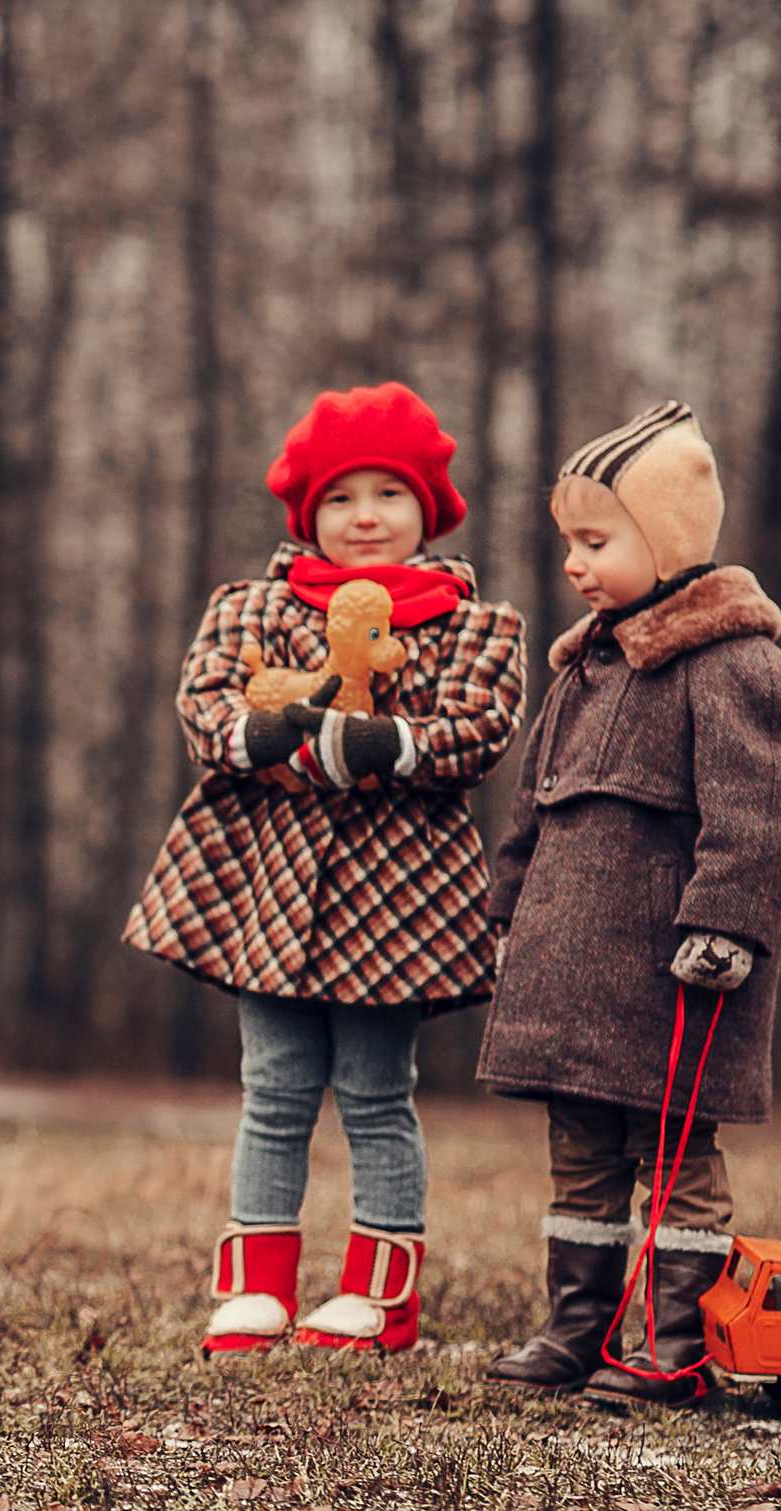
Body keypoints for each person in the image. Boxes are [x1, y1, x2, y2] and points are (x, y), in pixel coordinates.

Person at [127, 382, 526, 1356]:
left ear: (427, 509)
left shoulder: (476, 627)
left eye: (388, 493)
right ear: (308, 513)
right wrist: (270, 733)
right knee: (272, 1088)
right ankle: (254, 1288)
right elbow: (207, 713)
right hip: (269, 893)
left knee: (377, 1091)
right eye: (341, 498)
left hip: (398, 905)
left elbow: (475, 730)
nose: (364, 517)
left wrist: (373, 746)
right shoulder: (249, 611)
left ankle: (378, 1296)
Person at [477, 402, 781, 1409]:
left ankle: (672, 1347)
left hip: (671, 973)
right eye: (567, 543)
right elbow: (533, 806)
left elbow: (758, 813)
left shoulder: (732, 667)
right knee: (579, 1156)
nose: (575, 564)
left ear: (663, 538)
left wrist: (726, 922)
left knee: (670, 1154)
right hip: (566, 976)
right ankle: (573, 1331)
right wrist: (506, 909)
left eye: (595, 539)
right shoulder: (585, 667)